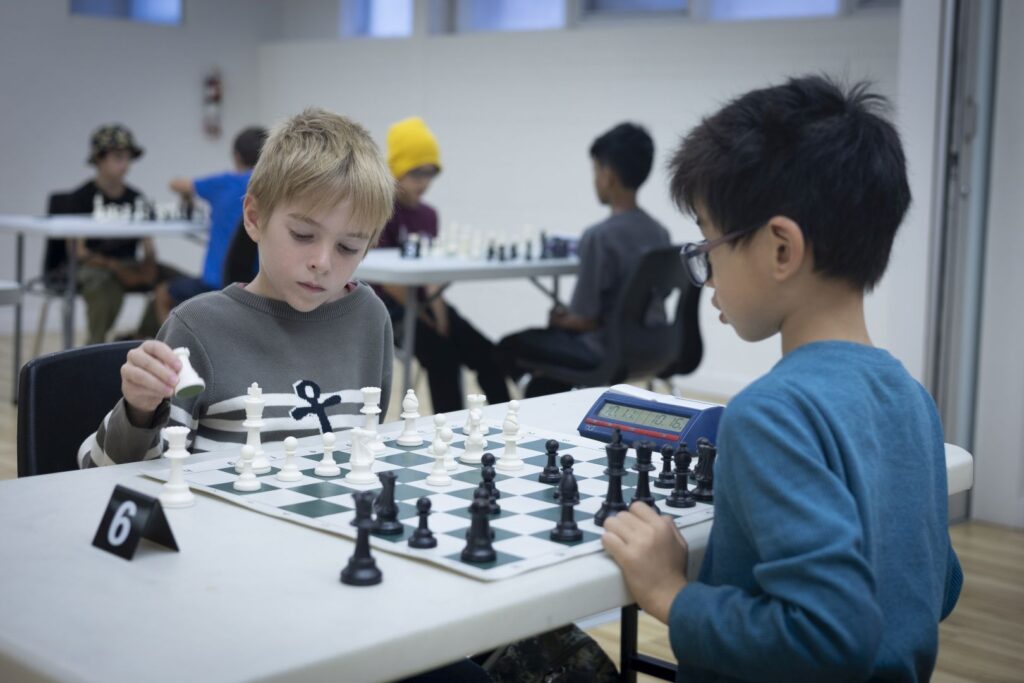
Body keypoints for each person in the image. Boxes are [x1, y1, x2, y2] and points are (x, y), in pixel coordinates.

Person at [601, 75, 962, 682]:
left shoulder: (772, 412)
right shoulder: (910, 395)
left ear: (780, 250)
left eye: (710, 242)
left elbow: (827, 635)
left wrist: (670, 594)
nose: (707, 271)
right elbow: (939, 585)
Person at [79, 108, 396, 468]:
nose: (322, 262)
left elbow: (366, 445)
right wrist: (138, 412)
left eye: (348, 247)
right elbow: (98, 473)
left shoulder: (369, 317)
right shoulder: (198, 326)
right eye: (303, 235)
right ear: (254, 218)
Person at [498, 123, 670, 397]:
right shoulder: (660, 233)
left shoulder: (599, 237)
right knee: (546, 382)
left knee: (507, 347)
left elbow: (585, 319)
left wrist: (560, 319)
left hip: (606, 351)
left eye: (595, 171)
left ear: (608, 174)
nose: (594, 180)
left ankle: (505, 421)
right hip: (655, 347)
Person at [375, 116, 509, 413]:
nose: (424, 183)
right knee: (442, 357)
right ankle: (450, 431)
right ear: (397, 169)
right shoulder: (380, 209)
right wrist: (427, 320)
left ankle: (508, 419)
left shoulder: (428, 216)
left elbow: (431, 271)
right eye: (416, 174)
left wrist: (440, 314)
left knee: (486, 352)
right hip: (389, 308)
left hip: (428, 301)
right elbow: (387, 282)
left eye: (430, 174)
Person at [63, 124, 179, 344]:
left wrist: (148, 266)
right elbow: (77, 251)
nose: (125, 165)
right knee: (103, 283)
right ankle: (95, 345)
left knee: (177, 282)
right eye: (118, 158)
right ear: (99, 159)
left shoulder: (136, 198)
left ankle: (141, 338)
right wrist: (118, 268)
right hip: (94, 266)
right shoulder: (80, 198)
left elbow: (148, 242)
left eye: (128, 158)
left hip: (128, 263)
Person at [155, 126, 268, 324]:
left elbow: (176, 184)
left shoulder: (224, 183)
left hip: (215, 283)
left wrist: (186, 196)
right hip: (256, 285)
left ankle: (167, 350)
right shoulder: (272, 188)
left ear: (236, 156)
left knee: (162, 294)